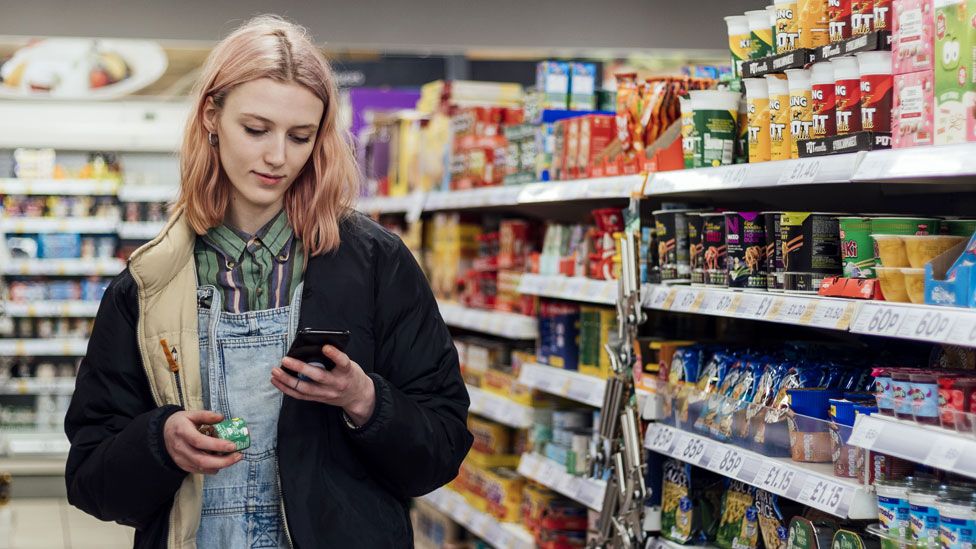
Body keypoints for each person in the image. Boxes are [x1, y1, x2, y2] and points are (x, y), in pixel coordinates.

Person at [64, 15, 472, 549]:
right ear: (212, 115)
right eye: (255, 129)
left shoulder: (376, 265)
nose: (278, 157)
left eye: (300, 136)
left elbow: (442, 447)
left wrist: (367, 401)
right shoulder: (150, 282)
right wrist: (160, 442)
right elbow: (91, 479)